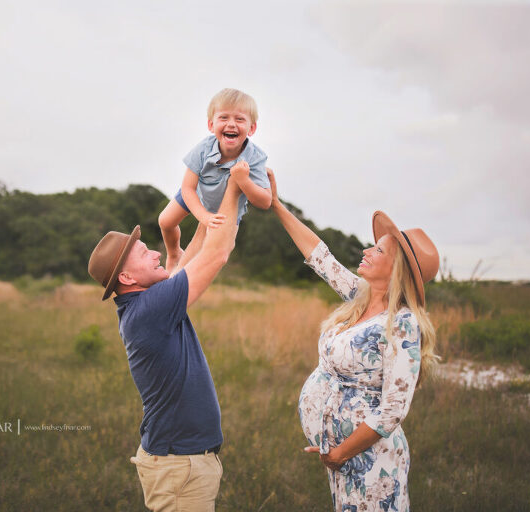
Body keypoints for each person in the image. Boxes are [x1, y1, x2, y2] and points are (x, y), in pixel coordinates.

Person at [266, 169, 440, 510]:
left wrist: (340, 453)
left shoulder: (403, 324)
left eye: (377, 250)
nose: (366, 251)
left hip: (372, 463)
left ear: (397, 268)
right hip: (344, 457)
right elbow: (321, 258)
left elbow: (393, 410)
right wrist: (275, 204)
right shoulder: (360, 296)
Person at [87, 172, 248, 512]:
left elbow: (198, 248)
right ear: (128, 278)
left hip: (182, 464)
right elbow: (217, 254)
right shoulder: (150, 309)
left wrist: (210, 193)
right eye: (145, 254)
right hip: (179, 469)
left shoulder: (148, 301)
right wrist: (235, 184)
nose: (158, 255)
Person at [158, 88, 272, 274]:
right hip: (197, 194)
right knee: (165, 221)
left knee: (187, 266)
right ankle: (173, 254)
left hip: (225, 212)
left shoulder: (255, 158)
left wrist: (244, 181)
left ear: (252, 128)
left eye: (240, 119)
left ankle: (178, 277)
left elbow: (265, 201)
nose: (231, 124)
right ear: (211, 125)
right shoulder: (204, 148)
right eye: (224, 118)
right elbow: (187, 188)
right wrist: (203, 215)